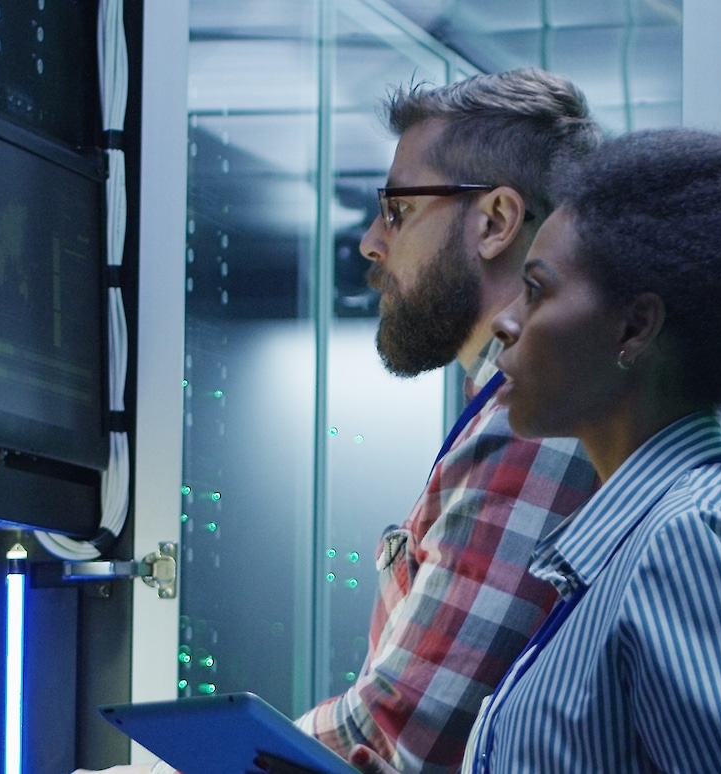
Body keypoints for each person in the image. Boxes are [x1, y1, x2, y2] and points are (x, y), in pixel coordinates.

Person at [77, 68, 602, 774]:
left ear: (497, 222)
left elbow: (393, 736)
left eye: (397, 209)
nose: (370, 244)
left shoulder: (532, 426)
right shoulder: (512, 417)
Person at [353, 126, 721, 773]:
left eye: (537, 291)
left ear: (633, 327)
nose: (507, 321)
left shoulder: (685, 541)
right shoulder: (622, 547)